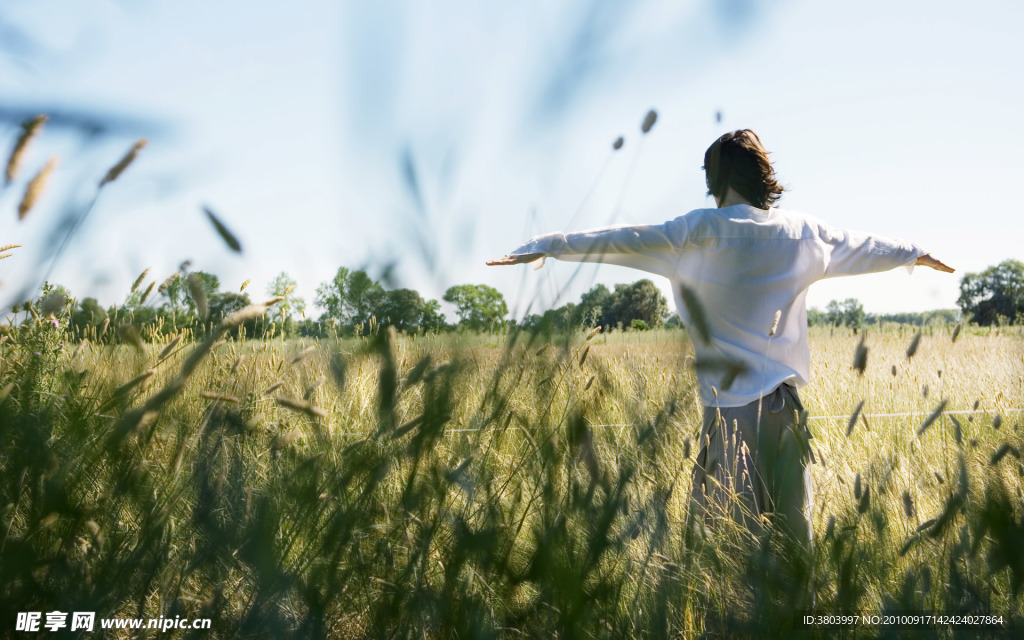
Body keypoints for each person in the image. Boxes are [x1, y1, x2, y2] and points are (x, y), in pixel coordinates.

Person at [487, 129, 954, 546]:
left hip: (729, 416)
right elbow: (864, 245)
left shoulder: (695, 231)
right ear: (762, 177)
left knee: (726, 544)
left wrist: (546, 244)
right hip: (786, 412)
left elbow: (620, 238)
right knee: (793, 539)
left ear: (713, 180)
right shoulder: (802, 231)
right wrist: (915, 252)